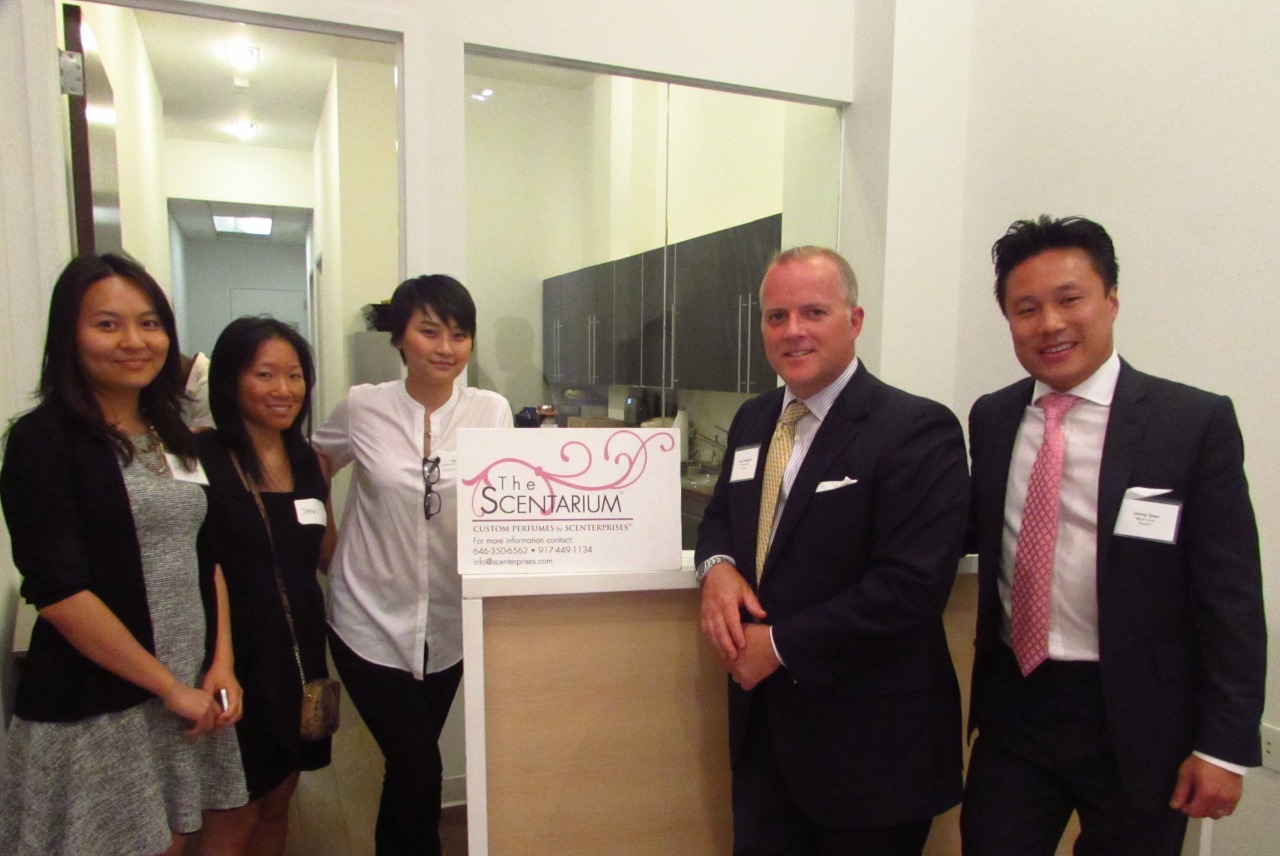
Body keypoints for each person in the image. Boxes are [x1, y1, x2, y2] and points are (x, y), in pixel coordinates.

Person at [961, 216, 1266, 856]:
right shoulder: (993, 417)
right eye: (1026, 309)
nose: (1049, 324)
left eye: (1069, 299)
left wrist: (1223, 747)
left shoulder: (1191, 423)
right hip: (1017, 706)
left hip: (1140, 719)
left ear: (1112, 301)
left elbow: (1231, 597)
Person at [695, 246, 970, 855]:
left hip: (871, 752)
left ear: (855, 320)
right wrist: (716, 568)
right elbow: (721, 519)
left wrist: (777, 645)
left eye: (813, 312)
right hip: (765, 738)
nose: (792, 330)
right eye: (776, 316)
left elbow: (912, 587)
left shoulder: (915, 429)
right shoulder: (752, 420)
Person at [0, 253, 247, 856]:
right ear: (69, 334)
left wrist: (221, 663)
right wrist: (167, 687)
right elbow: (59, 593)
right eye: (107, 324)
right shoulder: (42, 440)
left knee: (175, 839)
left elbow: (205, 555)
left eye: (149, 323)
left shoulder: (173, 436)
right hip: (104, 695)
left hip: (187, 680)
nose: (134, 341)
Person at [312, 274, 513, 856]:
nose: (446, 347)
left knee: (410, 767)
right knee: (418, 764)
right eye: (429, 331)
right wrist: (327, 545)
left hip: (449, 625)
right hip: (366, 618)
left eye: (459, 334)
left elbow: (506, 499)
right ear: (399, 337)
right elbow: (314, 462)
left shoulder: (491, 411)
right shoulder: (363, 407)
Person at [194, 317, 334, 855]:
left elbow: (327, 551)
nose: (284, 389)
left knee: (279, 802)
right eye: (265, 374)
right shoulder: (199, 458)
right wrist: (217, 660)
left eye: (294, 375)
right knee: (235, 813)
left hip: (300, 653)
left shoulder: (310, 461)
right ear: (230, 381)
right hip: (230, 656)